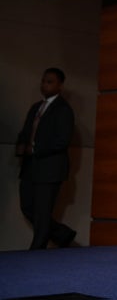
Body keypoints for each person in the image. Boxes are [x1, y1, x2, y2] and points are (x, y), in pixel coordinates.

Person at [15, 67, 77, 250]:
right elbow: (26, 131)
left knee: (42, 213)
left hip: (50, 169)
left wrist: (34, 148)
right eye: (43, 81)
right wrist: (21, 145)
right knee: (27, 207)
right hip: (30, 167)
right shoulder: (36, 107)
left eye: (50, 81)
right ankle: (63, 234)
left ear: (60, 85)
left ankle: (36, 251)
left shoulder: (64, 110)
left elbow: (62, 140)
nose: (45, 85)